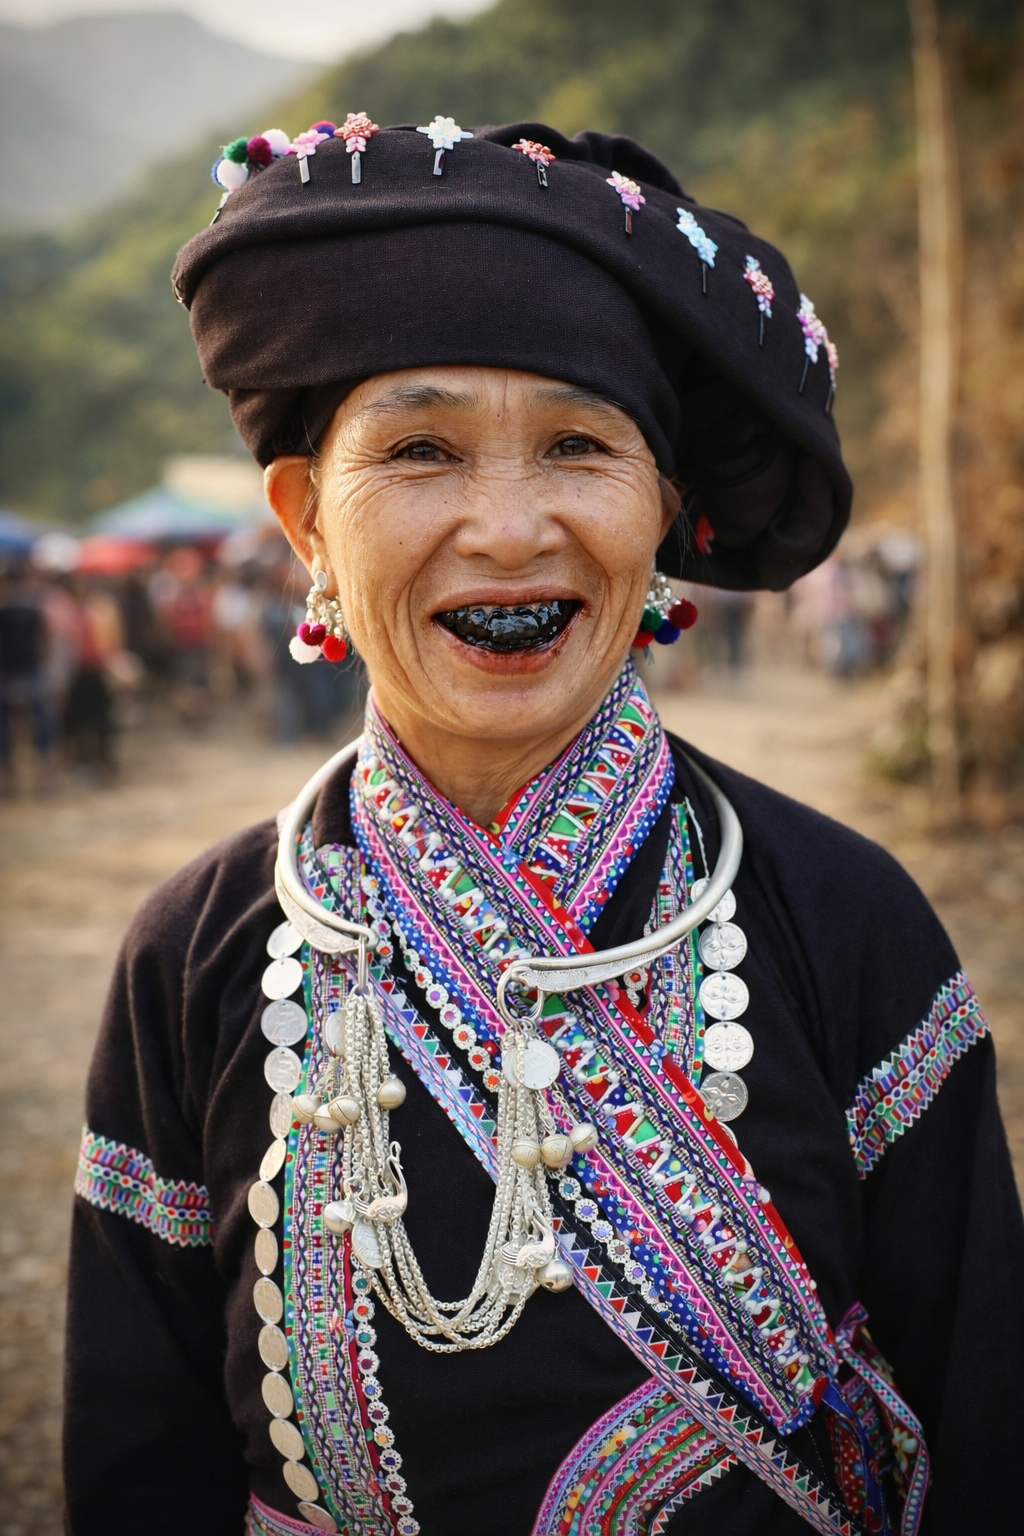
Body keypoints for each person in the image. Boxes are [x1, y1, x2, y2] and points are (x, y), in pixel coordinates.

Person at [64, 120, 1023, 1536]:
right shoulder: (192, 958)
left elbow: (991, 1423)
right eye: (422, 452)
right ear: (304, 522)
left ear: (664, 511)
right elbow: (136, 1467)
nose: (508, 530)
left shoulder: (848, 917)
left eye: (579, 445)